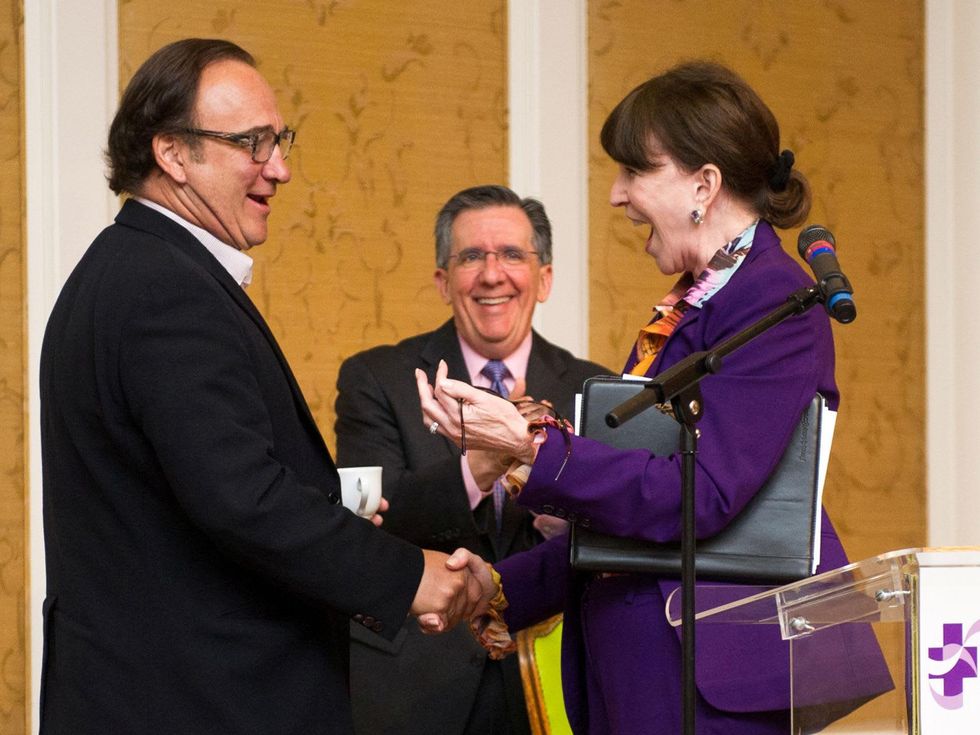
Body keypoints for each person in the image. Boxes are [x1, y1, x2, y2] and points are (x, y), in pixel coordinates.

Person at [416, 62, 892, 734]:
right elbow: (634, 521)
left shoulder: (777, 301)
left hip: (702, 680)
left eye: (635, 170)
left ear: (703, 183)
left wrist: (532, 447)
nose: (616, 194)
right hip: (638, 673)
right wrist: (495, 586)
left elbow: (702, 495)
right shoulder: (699, 301)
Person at [39, 38, 491, 735]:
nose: (278, 168)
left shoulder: (132, 268)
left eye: (279, 140)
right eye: (252, 143)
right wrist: (413, 576)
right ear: (173, 153)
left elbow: (219, 485)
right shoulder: (165, 287)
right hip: (194, 701)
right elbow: (243, 499)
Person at [336, 184, 608, 734]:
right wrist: (483, 465)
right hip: (417, 682)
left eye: (512, 254)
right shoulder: (377, 378)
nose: (491, 274)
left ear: (546, 278)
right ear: (443, 280)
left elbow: (616, 531)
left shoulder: (594, 388)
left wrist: (555, 489)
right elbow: (370, 522)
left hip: (558, 674)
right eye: (470, 257)